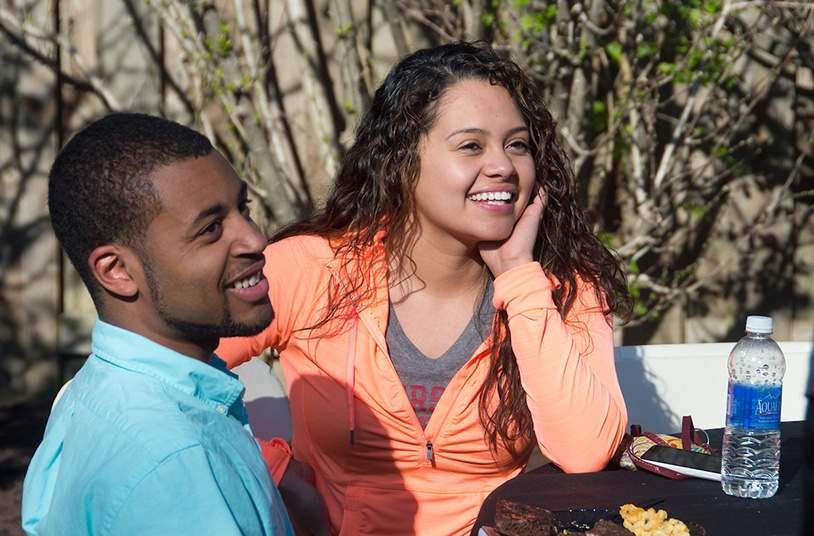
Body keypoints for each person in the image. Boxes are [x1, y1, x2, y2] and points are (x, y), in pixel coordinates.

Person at [217, 41, 633, 536]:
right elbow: (171, 373)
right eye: (471, 146)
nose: (502, 165)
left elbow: (587, 452)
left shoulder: (561, 284)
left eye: (517, 144)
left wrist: (521, 279)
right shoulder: (313, 269)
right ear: (401, 160)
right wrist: (275, 473)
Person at [21, 113, 295, 536]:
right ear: (117, 271)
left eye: (243, 208)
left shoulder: (88, 395)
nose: (255, 240)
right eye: (210, 229)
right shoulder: (175, 462)